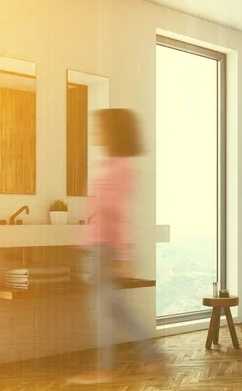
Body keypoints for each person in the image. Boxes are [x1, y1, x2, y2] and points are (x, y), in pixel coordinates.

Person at [67, 108, 166, 385]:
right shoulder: (109, 164)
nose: (94, 131)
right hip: (96, 245)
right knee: (117, 309)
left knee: (103, 311)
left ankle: (105, 369)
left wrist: (123, 253)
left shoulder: (121, 168)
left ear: (112, 131)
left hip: (103, 249)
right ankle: (153, 355)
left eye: (99, 127)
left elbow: (119, 214)